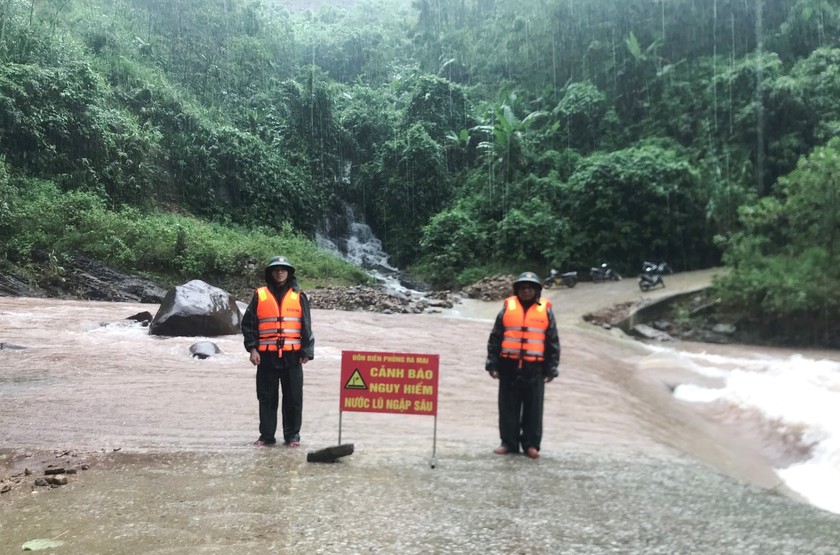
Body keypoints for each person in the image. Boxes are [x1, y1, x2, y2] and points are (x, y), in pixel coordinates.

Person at [485, 271, 560, 459]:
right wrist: (492, 363)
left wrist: (552, 367)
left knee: (533, 408)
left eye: (530, 288)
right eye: (522, 288)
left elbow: (552, 341)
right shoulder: (507, 308)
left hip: (534, 368)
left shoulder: (545, 310)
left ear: (536, 290)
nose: (526, 291)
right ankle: (508, 443)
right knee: (508, 406)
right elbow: (496, 337)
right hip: (508, 365)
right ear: (517, 290)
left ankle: (531, 445)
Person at [242, 256, 315, 447]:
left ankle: (292, 436)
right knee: (266, 398)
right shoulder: (260, 295)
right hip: (266, 357)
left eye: (283, 269)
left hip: (293, 357)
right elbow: (248, 325)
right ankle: (266, 436)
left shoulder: (299, 296)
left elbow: (306, 325)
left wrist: (307, 350)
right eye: (276, 270)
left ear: (289, 273)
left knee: (293, 398)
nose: (280, 272)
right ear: (270, 273)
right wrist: (252, 349)